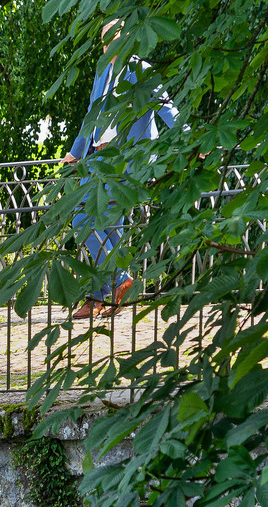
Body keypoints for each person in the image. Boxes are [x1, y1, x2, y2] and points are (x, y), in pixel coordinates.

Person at [62, 19, 180, 319]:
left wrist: (195, 140)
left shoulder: (141, 70)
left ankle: (107, 288)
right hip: (98, 161)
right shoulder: (103, 71)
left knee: (88, 221)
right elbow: (92, 114)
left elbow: (167, 108)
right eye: (102, 40)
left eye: (110, 39)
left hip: (128, 163)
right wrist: (75, 153)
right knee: (91, 222)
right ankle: (107, 291)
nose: (105, 46)